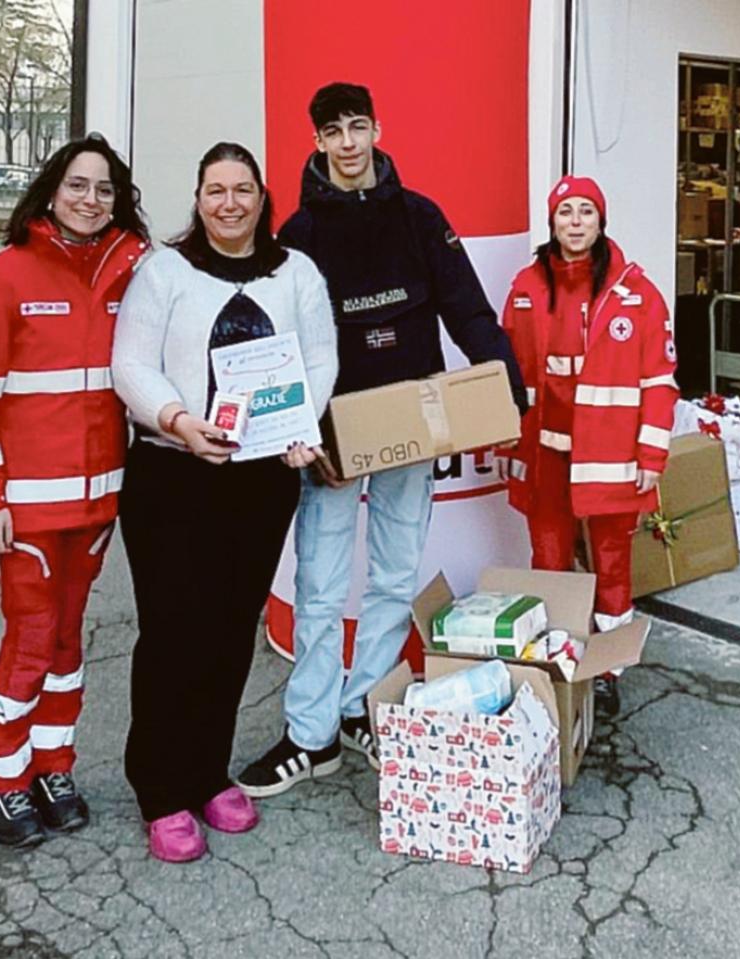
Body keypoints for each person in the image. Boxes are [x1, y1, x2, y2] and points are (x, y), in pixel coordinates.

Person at [236, 82, 527, 797]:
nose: (347, 143)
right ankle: (311, 734)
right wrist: (295, 433)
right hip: (331, 439)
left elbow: (467, 309)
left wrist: (506, 384)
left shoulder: (420, 217)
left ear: (376, 128)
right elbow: (277, 345)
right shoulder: (298, 237)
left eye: (357, 126)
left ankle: (363, 705)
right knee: (320, 585)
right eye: (332, 131)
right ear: (316, 141)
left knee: (396, 575)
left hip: (411, 425)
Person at [111, 142, 338, 863]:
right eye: (216, 190)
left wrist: (298, 425)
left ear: (262, 196)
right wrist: (176, 418)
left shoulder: (295, 272)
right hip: (173, 473)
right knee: (174, 632)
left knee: (230, 628)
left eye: (243, 189)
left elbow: (318, 358)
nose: (230, 203)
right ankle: (160, 787)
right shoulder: (165, 271)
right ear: (199, 197)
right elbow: (131, 363)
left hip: (258, 478)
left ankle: (207, 770)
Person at [0, 135, 150, 848]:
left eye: (105, 190)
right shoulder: (4, 275)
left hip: (99, 501)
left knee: (69, 641)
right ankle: (3, 775)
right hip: (28, 509)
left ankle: (52, 765)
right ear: (50, 190)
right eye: (78, 185)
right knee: (30, 639)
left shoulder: (130, 273)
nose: (90, 200)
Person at [498, 174, 679, 716]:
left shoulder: (636, 292)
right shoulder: (527, 286)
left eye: (585, 213)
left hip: (611, 455)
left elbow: (660, 381)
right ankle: (555, 656)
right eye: (565, 213)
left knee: (610, 558)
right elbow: (507, 371)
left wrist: (652, 455)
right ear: (551, 222)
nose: (575, 223)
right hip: (545, 452)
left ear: (601, 221)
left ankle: (609, 667)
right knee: (548, 555)